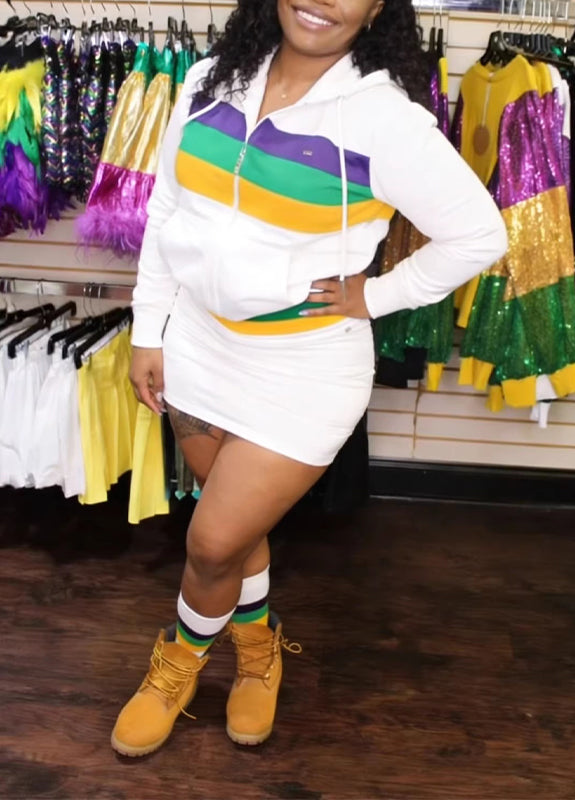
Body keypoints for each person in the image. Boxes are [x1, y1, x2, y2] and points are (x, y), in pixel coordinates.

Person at [112, 0, 508, 757]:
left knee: (211, 543)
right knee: (237, 533)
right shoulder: (206, 82)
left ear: (378, 6)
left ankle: (177, 665)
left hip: (302, 372)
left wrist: (374, 295)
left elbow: (479, 233)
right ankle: (258, 650)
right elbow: (167, 212)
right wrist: (149, 330)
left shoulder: (383, 119)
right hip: (197, 348)